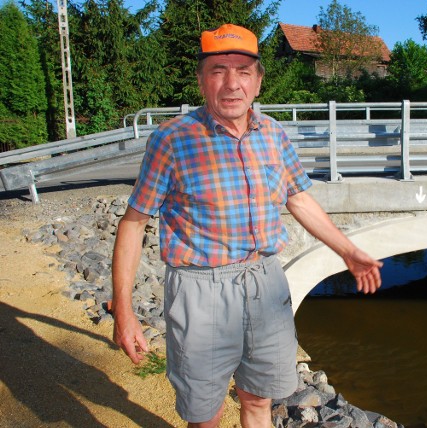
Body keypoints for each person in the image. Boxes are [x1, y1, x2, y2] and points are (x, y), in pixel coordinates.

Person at [111, 23, 383, 428]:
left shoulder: (273, 133)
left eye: (242, 71)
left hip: (266, 283)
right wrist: (124, 311)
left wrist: (348, 250)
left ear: (258, 81)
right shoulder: (172, 140)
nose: (231, 83)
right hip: (200, 288)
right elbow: (132, 224)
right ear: (202, 81)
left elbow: (298, 198)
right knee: (205, 413)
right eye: (218, 70)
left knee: (258, 399)